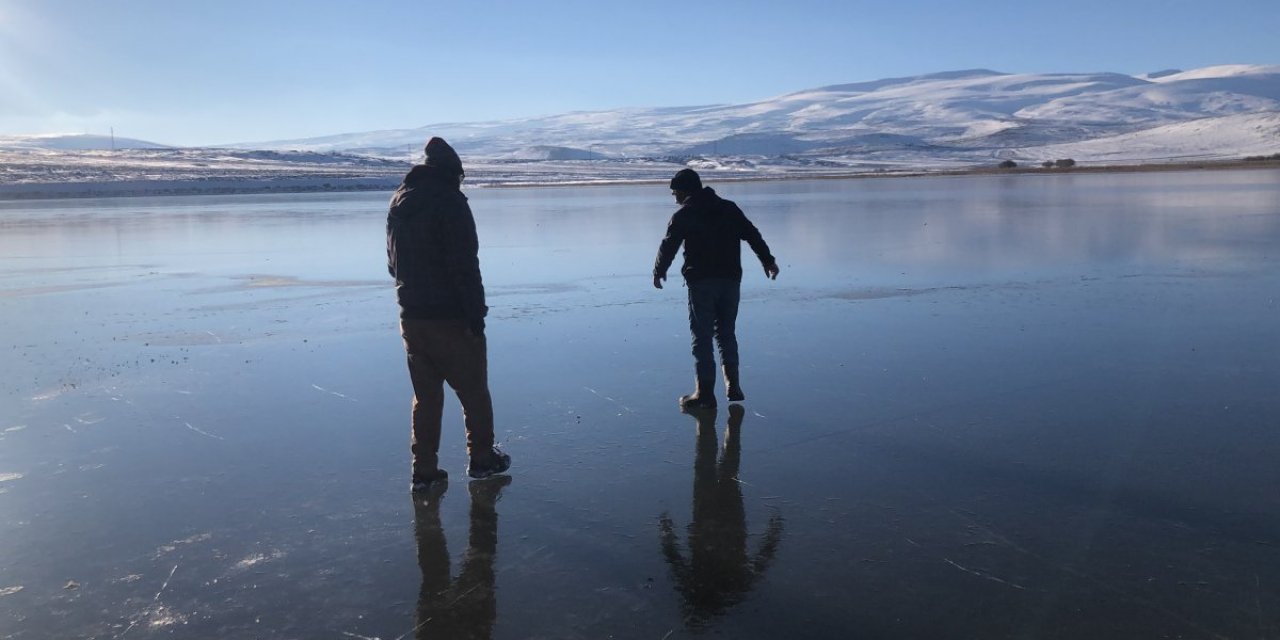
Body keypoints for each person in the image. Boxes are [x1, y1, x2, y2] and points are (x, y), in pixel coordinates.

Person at [388, 136, 510, 490]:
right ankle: (482, 460)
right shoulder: (450, 202)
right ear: (450, 172)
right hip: (450, 316)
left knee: (426, 398)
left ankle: (424, 470)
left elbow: (392, 262)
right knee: (474, 392)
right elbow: (464, 265)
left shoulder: (398, 202)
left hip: (410, 315)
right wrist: (476, 314)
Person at [653, 168, 780, 409]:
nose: (674, 197)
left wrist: (659, 271)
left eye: (675, 192)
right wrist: (768, 260)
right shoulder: (729, 208)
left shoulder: (684, 215)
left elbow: (668, 245)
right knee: (726, 332)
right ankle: (733, 385)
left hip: (701, 282)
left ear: (685, 190)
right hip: (730, 280)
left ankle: (705, 393)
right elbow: (752, 234)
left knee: (701, 336)